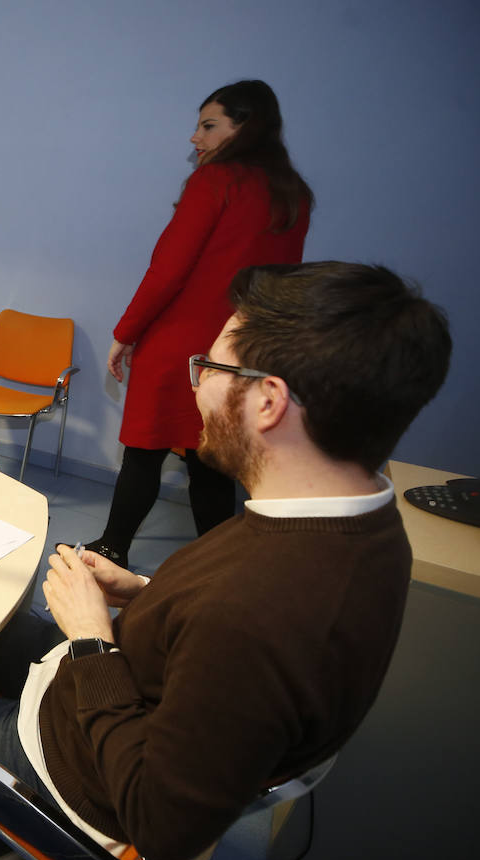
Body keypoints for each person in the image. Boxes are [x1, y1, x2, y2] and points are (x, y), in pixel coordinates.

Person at [0, 261, 451, 860]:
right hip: (128, 676)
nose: (195, 385)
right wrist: (147, 593)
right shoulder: (360, 523)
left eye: (210, 368)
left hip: (74, 770)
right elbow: (217, 642)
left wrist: (93, 642)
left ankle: (0, 819)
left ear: (269, 401)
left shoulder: (261, 610)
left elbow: (159, 820)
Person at [90, 79, 314, 569]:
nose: (196, 138)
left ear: (244, 127)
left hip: (179, 344)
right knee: (211, 462)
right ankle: (216, 566)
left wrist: (125, 332)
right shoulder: (293, 194)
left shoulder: (215, 181)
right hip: (240, 350)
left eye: (208, 126)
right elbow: (282, 282)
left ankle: (112, 548)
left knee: (144, 451)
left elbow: (168, 268)